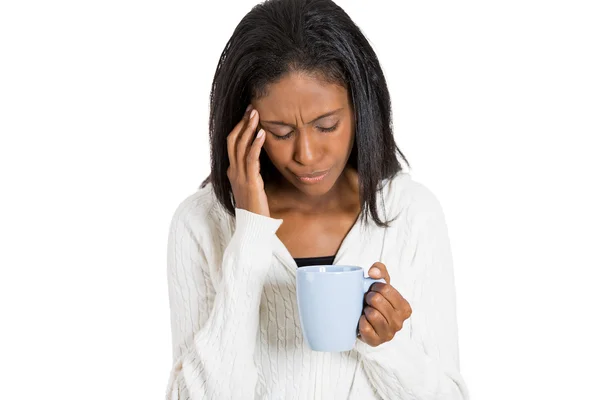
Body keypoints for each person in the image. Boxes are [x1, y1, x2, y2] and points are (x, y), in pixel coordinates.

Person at [165, 0, 469, 398]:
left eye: (326, 125)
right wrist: (251, 238)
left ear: (361, 109)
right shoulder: (200, 223)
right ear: (244, 124)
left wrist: (387, 347)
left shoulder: (410, 213)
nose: (306, 155)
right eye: (280, 131)